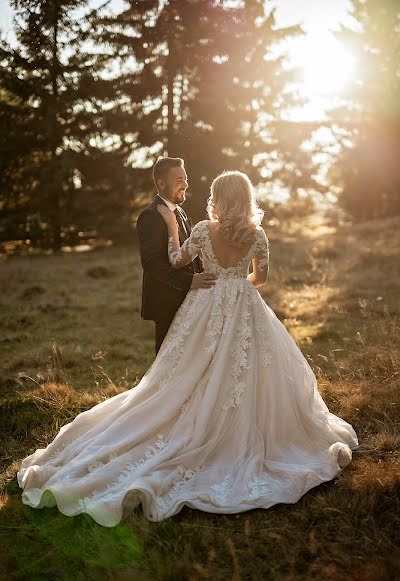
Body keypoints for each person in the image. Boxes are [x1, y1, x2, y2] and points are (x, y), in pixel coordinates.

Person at [16, 170, 359, 528]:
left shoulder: (200, 230)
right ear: (247, 198)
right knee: (250, 369)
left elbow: (175, 259)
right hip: (245, 304)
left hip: (205, 302)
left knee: (187, 370)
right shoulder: (258, 236)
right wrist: (236, 283)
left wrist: (172, 228)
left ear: (218, 199)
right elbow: (262, 278)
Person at [136, 156, 217, 354]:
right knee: (166, 359)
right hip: (166, 301)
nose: (185, 185)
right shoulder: (150, 216)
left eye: (186, 179)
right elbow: (152, 263)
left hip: (189, 299)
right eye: (179, 181)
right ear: (161, 183)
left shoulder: (180, 212)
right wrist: (190, 281)